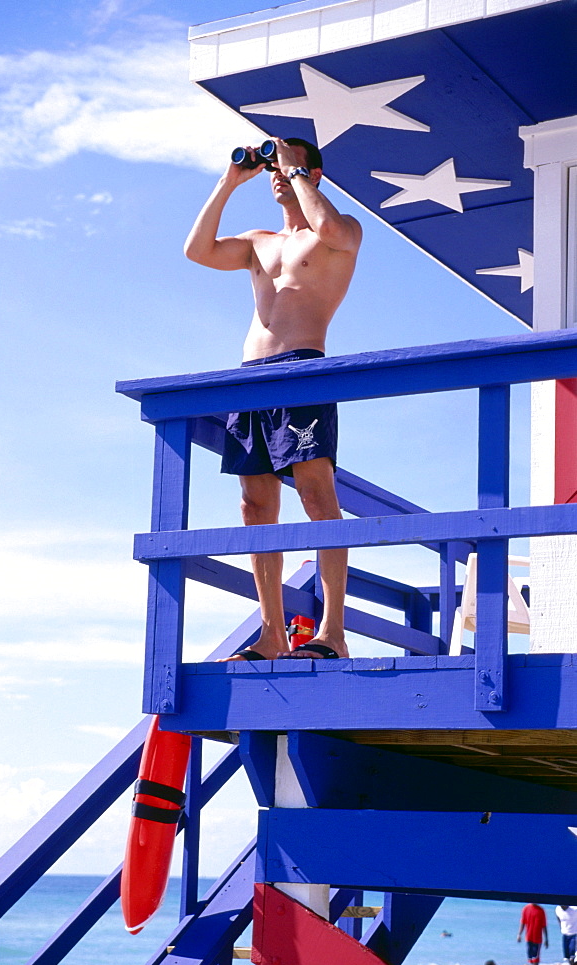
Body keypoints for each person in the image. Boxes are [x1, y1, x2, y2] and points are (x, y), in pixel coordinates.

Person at [184, 136, 362, 662]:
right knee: (255, 505)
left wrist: (298, 169)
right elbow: (197, 250)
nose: (280, 175)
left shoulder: (340, 232)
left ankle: (332, 634)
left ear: (316, 175)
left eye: (291, 168)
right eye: (276, 170)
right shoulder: (258, 242)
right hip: (251, 378)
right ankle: (271, 633)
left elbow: (329, 227)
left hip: (302, 369)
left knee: (316, 497)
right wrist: (231, 179)